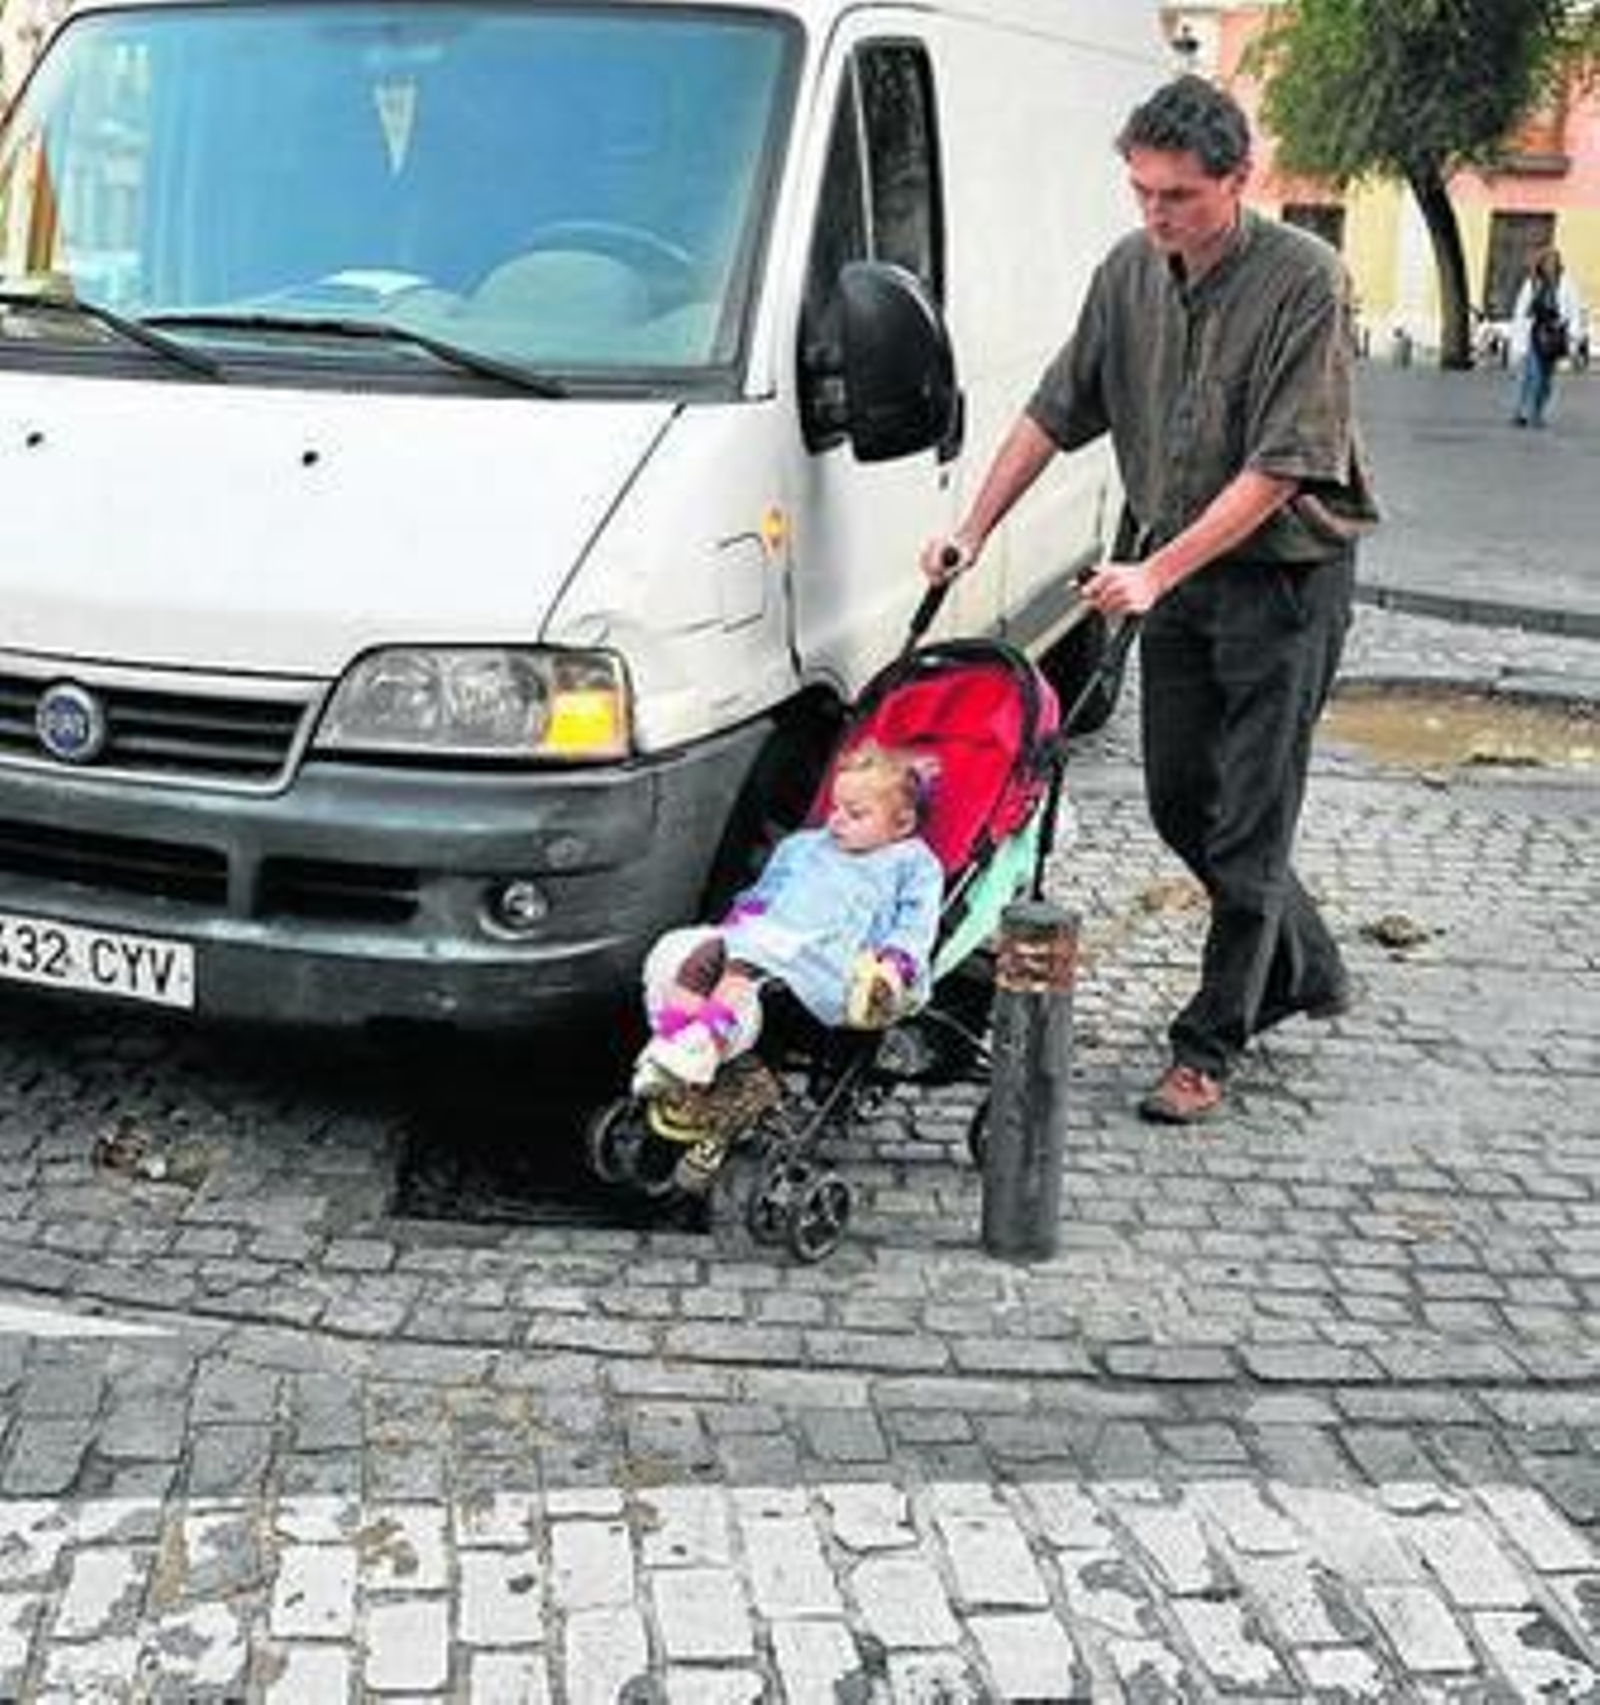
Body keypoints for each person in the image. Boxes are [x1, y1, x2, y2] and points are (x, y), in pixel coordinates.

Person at [920, 74, 1377, 1126]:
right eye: (1141, 191)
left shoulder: (1306, 280)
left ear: (1236, 179)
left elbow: (1286, 466)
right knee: (1181, 802)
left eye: (1178, 195)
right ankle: (1303, 962)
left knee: (1252, 817)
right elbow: (1054, 408)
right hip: (1174, 575)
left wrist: (1154, 572)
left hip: (1284, 585)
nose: (1156, 214)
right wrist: (972, 527)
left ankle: (1208, 1043)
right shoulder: (1126, 272)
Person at [632, 741, 944, 1097]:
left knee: (740, 966)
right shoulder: (806, 846)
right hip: (776, 935)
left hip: (837, 959)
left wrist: (896, 961)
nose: (837, 819)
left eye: (855, 813)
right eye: (835, 807)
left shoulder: (912, 864)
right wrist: (739, 922)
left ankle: (704, 1044)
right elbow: (765, 894)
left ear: (902, 824)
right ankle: (671, 1041)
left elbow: (916, 924)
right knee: (700, 956)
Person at [1510, 245, 1584, 428]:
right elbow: (1521, 312)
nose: (1552, 265)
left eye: (1555, 261)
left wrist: (1574, 339)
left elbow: (1575, 312)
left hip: (1555, 337)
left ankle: (1537, 411)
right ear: (1542, 264)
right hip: (1534, 334)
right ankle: (1523, 412)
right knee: (1531, 375)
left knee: (1546, 379)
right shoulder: (1533, 283)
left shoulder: (1567, 284)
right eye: (1548, 261)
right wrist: (1517, 342)